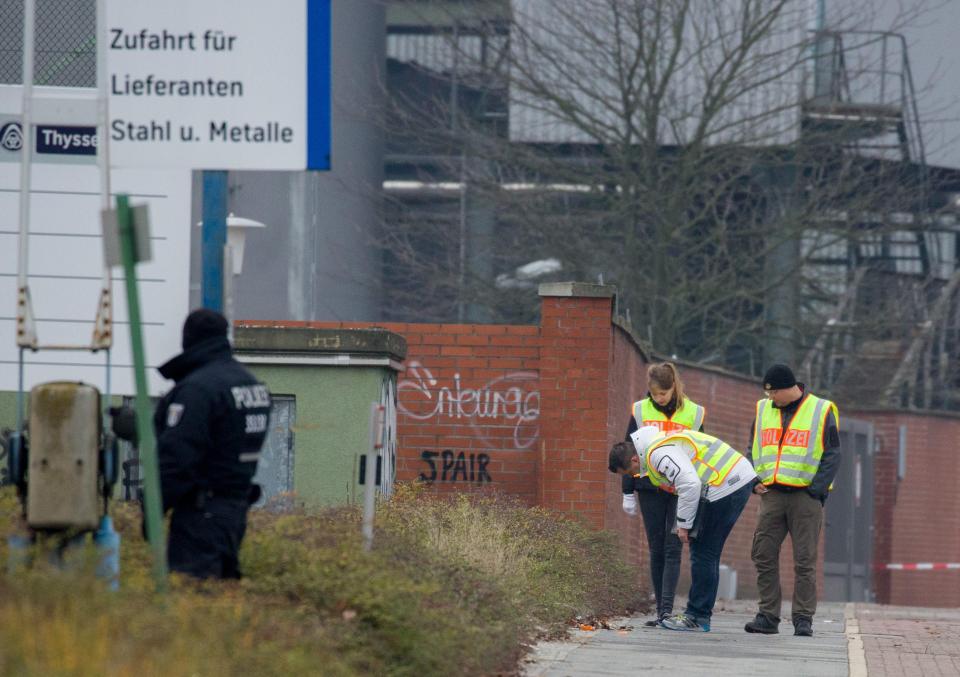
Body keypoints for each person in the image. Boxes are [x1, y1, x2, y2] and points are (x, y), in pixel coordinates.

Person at [153, 308, 272, 579]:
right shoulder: (251, 385)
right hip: (234, 512)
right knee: (221, 596)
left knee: (194, 599)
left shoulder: (198, 391)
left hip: (200, 516)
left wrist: (153, 510)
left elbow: (176, 458)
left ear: (188, 340)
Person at [610, 425, 755, 633]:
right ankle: (698, 614)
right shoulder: (657, 445)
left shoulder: (658, 454)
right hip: (732, 481)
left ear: (634, 460)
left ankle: (697, 616)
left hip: (725, 485)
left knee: (703, 553)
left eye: (630, 473)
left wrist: (683, 524)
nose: (634, 476)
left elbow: (690, 484)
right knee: (706, 552)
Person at [744, 363, 840, 638]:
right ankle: (767, 616)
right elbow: (752, 447)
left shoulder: (821, 410)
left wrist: (816, 491)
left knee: (805, 560)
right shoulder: (763, 409)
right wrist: (753, 480)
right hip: (772, 494)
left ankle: (803, 618)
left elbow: (833, 453)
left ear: (788, 389)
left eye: (773, 393)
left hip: (805, 497)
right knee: (762, 553)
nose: (769, 398)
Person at [621, 363, 705, 627]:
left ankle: (667, 611)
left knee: (673, 547)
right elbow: (629, 451)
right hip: (649, 486)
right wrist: (627, 490)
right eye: (655, 394)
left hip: (680, 487)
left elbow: (701, 451)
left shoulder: (694, 412)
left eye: (664, 394)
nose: (659, 399)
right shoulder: (640, 410)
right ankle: (660, 612)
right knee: (656, 548)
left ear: (674, 387)